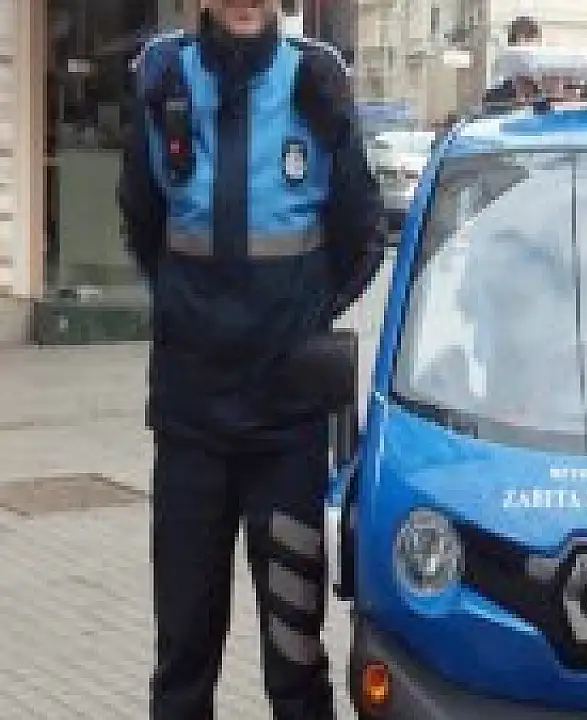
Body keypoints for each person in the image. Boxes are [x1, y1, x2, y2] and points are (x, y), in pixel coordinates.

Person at [118, 1, 385, 717]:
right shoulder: (163, 78)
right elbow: (141, 222)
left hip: (286, 432)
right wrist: (191, 317)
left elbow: (363, 235)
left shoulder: (317, 80)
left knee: (295, 659)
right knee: (182, 657)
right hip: (191, 426)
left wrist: (299, 324)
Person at [482, 16, 543, 111]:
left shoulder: (546, 95)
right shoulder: (495, 97)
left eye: (528, 38)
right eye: (518, 39)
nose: (523, 44)